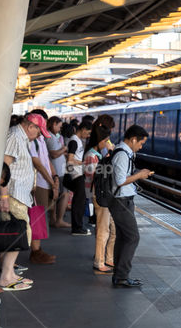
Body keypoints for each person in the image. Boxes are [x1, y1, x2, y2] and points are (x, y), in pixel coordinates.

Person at [0, 114, 49, 290]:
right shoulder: (14, 136)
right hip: (13, 194)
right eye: (39, 131)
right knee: (19, 233)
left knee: (18, 233)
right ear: (30, 126)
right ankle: (6, 277)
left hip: (19, 194)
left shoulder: (21, 137)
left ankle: (10, 272)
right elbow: (3, 168)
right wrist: (3, 196)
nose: (40, 135)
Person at [108, 125, 153, 288]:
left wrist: (138, 175)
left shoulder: (124, 152)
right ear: (133, 139)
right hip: (121, 200)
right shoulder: (122, 154)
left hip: (123, 199)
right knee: (133, 237)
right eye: (140, 143)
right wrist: (139, 175)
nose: (140, 147)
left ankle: (119, 275)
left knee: (123, 237)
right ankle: (121, 275)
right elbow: (120, 180)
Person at [84, 122, 117, 275]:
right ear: (100, 141)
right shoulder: (92, 156)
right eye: (106, 141)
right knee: (103, 230)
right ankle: (99, 261)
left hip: (107, 195)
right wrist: (109, 157)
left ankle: (109, 258)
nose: (108, 144)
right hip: (100, 195)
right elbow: (94, 176)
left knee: (112, 229)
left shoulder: (100, 154)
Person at [26, 110, 57, 264]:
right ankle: (35, 252)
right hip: (38, 183)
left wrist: (55, 176)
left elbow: (46, 160)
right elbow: (37, 163)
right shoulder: (31, 141)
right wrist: (51, 182)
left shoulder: (41, 140)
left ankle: (38, 250)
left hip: (45, 182)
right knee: (37, 216)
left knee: (40, 216)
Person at [65, 120, 91, 235]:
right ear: (83, 129)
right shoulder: (74, 141)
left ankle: (79, 226)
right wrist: (83, 163)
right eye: (88, 132)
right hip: (75, 174)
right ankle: (77, 228)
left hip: (77, 173)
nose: (88, 135)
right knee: (78, 202)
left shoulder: (77, 140)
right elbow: (70, 160)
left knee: (80, 201)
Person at [45, 116, 70, 228]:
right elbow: (54, 154)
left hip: (59, 170)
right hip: (58, 171)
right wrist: (64, 149)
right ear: (54, 124)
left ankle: (54, 219)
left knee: (56, 195)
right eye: (59, 126)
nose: (60, 129)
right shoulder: (50, 137)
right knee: (63, 194)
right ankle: (58, 220)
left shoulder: (52, 136)